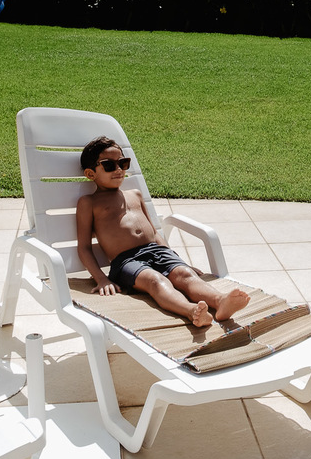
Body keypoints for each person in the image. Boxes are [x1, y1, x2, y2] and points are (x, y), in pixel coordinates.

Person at [75, 136, 250, 327]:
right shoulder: (89, 202)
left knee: (185, 274)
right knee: (155, 280)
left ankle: (220, 301)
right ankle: (191, 311)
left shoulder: (134, 194)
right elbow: (84, 247)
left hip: (157, 250)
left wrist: (177, 260)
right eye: (109, 165)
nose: (118, 169)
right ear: (91, 173)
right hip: (127, 262)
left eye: (123, 163)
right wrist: (101, 279)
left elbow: (154, 232)